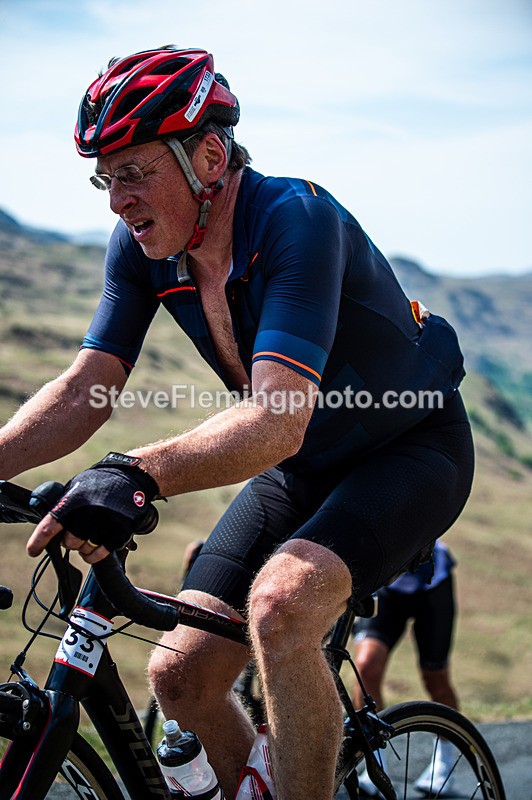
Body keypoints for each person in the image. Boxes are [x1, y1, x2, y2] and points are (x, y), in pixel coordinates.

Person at [0, 47, 475, 800]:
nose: (116, 201)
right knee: (178, 674)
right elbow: (88, 387)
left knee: (282, 610)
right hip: (307, 464)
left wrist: (131, 473)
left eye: (133, 171)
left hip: (409, 449)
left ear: (210, 157)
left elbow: (277, 420)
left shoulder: (294, 219)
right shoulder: (144, 249)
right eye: (104, 176)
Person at [352, 539, 460, 797]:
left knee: (435, 680)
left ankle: (445, 759)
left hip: (432, 586)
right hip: (387, 589)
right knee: (366, 667)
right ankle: (374, 762)